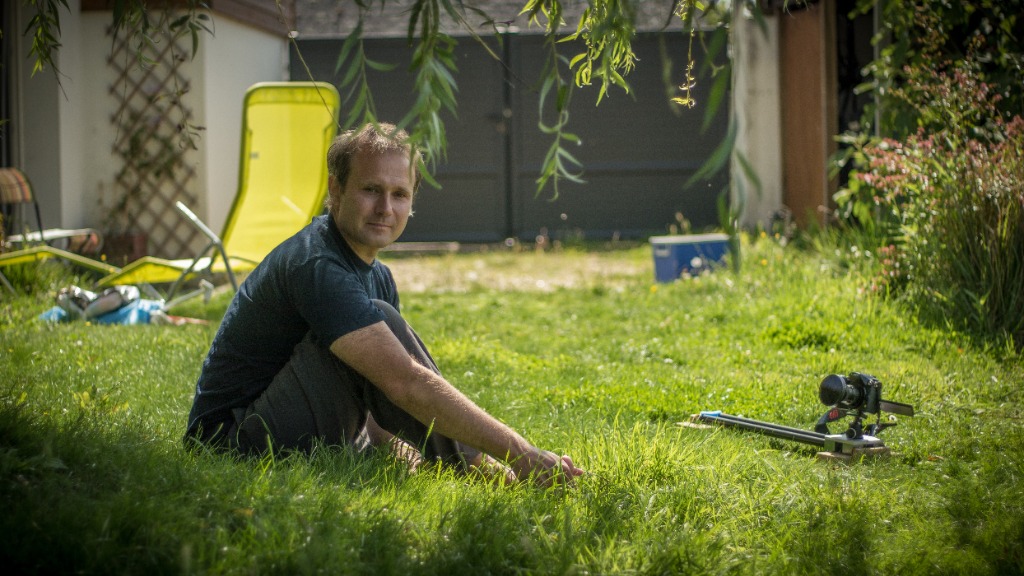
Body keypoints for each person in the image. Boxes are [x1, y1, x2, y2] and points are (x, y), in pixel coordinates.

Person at [184, 122, 583, 486]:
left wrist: (406, 455)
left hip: (274, 423)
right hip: (229, 446)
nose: (385, 209)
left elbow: (377, 391)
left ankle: (490, 474)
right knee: (384, 325)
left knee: (380, 323)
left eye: (399, 194)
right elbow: (403, 382)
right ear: (335, 190)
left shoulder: (378, 276)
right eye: (371, 189)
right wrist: (522, 453)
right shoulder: (317, 263)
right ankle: (505, 475)